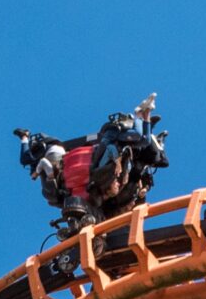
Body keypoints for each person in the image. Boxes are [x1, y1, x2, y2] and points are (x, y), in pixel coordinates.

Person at [14, 95, 169, 234]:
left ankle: (142, 116)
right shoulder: (112, 144)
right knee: (140, 143)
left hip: (104, 177)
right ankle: (142, 116)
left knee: (144, 142)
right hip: (97, 177)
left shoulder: (121, 153)